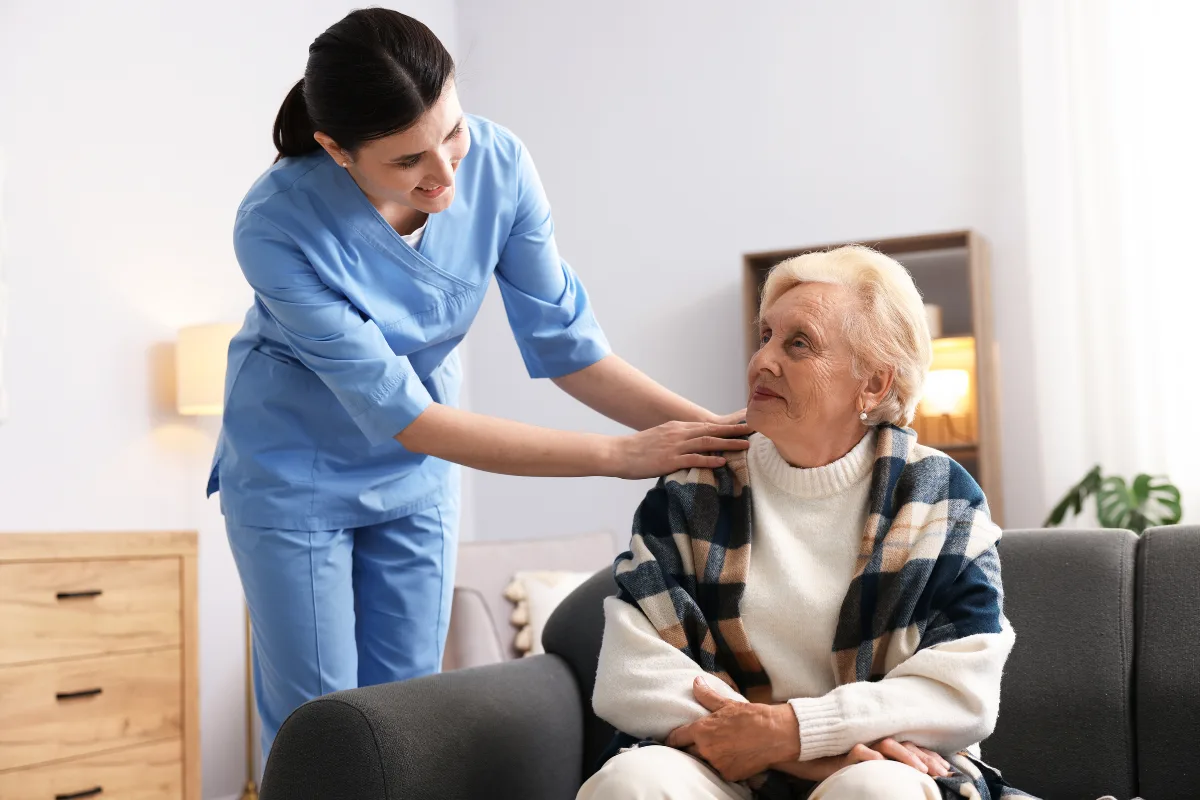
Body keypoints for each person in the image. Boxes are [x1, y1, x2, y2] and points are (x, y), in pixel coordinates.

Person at [208, 8, 748, 758]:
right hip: (296, 471)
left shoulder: (500, 162)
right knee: (321, 721)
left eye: (452, 133)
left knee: (404, 710)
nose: (445, 173)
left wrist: (727, 436)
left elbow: (572, 350)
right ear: (336, 149)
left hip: (417, 476)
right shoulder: (276, 224)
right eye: (407, 162)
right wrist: (623, 455)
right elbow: (411, 417)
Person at [580, 246, 1029, 800]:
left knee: (876, 790)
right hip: (721, 764)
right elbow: (632, 673)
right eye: (766, 335)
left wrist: (796, 735)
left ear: (874, 385)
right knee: (633, 781)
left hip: (875, 766)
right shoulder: (693, 489)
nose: (763, 360)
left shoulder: (940, 495)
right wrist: (764, 744)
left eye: (799, 344)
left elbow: (962, 690)